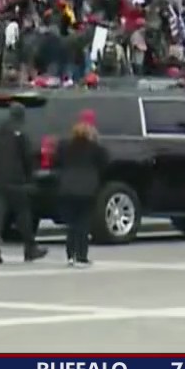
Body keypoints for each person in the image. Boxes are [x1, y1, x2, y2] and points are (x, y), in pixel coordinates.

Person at [0, 102, 47, 264]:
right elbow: (27, 157)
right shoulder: (21, 133)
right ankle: (30, 248)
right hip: (16, 180)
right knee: (23, 215)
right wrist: (30, 178)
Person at [55, 109, 107, 267]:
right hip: (87, 189)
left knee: (71, 224)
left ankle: (70, 255)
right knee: (83, 224)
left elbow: (58, 163)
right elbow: (104, 163)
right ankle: (82, 256)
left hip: (68, 188)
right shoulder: (95, 147)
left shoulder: (65, 146)